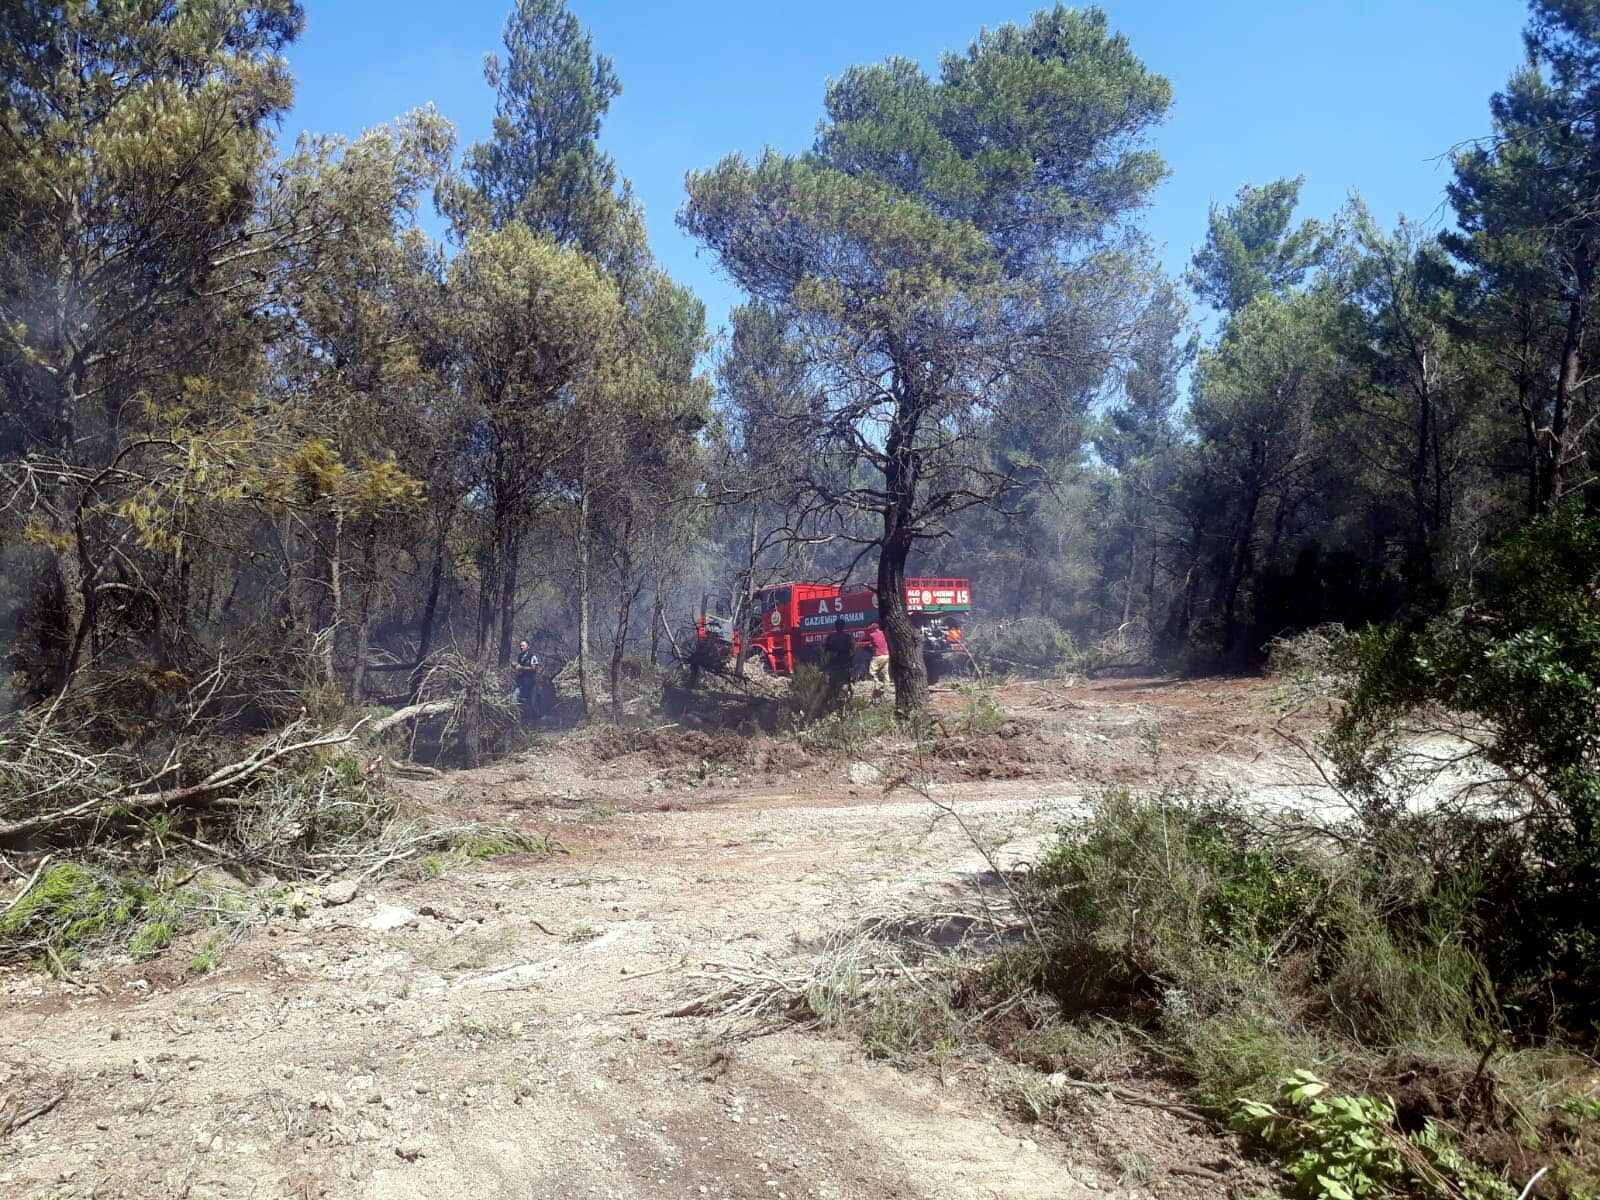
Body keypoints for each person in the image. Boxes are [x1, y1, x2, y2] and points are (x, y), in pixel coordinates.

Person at [822, 616, 855, 705]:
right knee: (847, 684)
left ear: (835, 626)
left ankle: (835, 702)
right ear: (843, 626)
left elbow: (825, 650)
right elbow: (853, 650)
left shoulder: (830, 638)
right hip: (846, 665)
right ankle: (847, 701)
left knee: (833, 686)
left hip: (834, 666)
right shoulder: (848, 637)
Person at [513, 639, 542, 722]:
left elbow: (534, 669)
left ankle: (537, 721)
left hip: (531, 684)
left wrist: (521, 667)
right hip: (521, 684)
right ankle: (516, 719)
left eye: (523, 645)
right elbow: (519, 668)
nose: (521, 647)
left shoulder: (533, 657)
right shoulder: (520, 657)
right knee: (514, 701)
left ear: (528, 647)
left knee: (532, 704)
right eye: (520, 646)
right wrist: (515, 666)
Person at [866, 622, 890, 695]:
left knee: (872, 671)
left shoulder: (872, 635)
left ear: (873, 628)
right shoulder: (883, 633)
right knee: (885, 672)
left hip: (878, 656)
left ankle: (878, 683)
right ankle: (887, 688)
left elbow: (872, 645)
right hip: (886, 655)